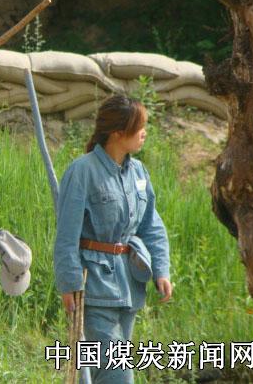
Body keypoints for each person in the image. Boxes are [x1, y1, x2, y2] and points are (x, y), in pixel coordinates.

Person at [53, 95, 172, 384]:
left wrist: (161, 269)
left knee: (102, 372)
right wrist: (69, 284)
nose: (144, 133)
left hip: (130, 286)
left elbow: (151, 226)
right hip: (93, 288)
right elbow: (67, 235)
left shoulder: (139, 172)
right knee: (117, 372)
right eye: (139, 127)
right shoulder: (82, 171)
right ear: (118, 132)